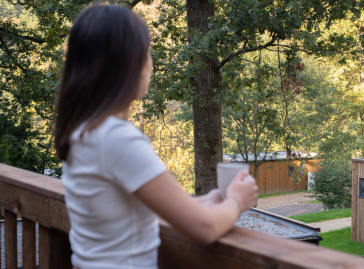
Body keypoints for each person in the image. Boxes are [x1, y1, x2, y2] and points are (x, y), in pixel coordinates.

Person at [54, 5, 258, 269]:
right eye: (147, 51)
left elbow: (126, 212)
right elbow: (204, 228)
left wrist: (203, 203)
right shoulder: (116, 138)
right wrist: (236, 201)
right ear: (128, 64)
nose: (151, 63)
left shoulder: (83, 131)